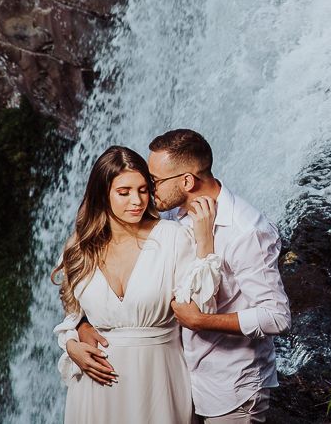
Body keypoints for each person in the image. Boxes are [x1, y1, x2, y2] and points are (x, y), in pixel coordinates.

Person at [77, 129, 291, 423]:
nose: (147, 192)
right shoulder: (176, 219)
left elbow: (276, 317)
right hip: (185, 383)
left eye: (153, 182)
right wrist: (81, 325)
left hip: (232, 388)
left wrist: (201, 321)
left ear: (187, 181)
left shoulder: (246, 230)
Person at [52, 145, 222, 424]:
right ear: (101, 195)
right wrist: (72, 343)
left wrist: (205, 247)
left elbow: (199, 308)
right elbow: (73, 312)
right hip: (95, 385)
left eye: (143, 190)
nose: (137, 201)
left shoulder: (172, 237)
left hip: (158, 380)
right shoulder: (79, 248)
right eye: (124, 192)